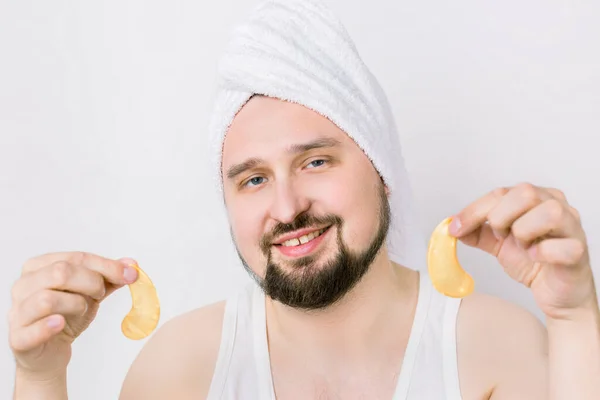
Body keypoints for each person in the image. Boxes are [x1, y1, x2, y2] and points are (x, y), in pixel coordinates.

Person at [8, 0, 600, 399]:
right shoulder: (181, 369)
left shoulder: (493, 350)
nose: (287, 207)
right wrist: (39, 376)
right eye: (253, 179)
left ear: (383, 169)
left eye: (315, 162)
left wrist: (575, 320)